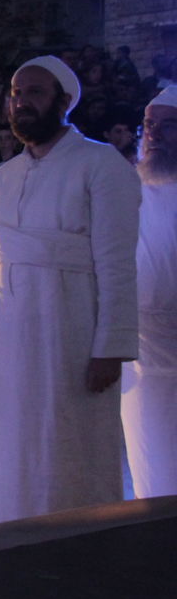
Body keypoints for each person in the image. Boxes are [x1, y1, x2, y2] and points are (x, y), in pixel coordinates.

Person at [0, 56, 140, 526]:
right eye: (16, 94)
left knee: (69, 447)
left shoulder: (101, 165)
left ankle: (77, 548)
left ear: (64, 101)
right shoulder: (5, 175)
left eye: (35, 93)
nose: (21, 103)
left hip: (72, 333)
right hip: (10, 343)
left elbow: (118, 264)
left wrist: (112, 348)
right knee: (11, 447)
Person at [120, 87, 177, 499]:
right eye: (148, 125)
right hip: (141, 356)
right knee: (154, 479)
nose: (153, 135)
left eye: (166, 126)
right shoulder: (125, 189)